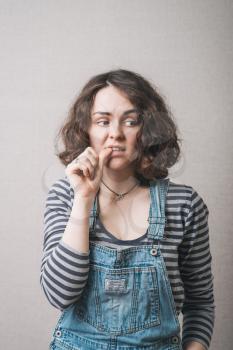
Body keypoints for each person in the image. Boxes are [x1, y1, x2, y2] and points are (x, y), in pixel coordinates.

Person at [40, 69, 215, 350]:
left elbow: (201, 304)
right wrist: (83, 198)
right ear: (87, 130)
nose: (116, 134)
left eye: (130, 121)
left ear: (148, 130)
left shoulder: (183, 204)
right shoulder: (65, 196)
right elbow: (59, 294)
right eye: (102, 121)